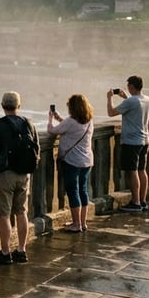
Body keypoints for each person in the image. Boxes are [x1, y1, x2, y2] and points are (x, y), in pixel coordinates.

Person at [0, 91, 37, 265]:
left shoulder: (0, 124)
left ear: (2, 106)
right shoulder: (28, 123)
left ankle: (5, 253)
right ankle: (21, 250)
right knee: (21, 211)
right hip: (24, 173)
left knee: (3, 213)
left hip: (5, 174)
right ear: (18, 106)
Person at [48, 94, 94, 233]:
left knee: (73, 192)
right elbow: (73, 127)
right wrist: (60, 119)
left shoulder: (70, 122)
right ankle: (83, 222)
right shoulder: (89, 120)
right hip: (86, 161)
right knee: (83, 190)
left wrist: (50, 119)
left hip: (72, 161)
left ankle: (76, 224)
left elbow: (52, 130)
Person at [107, 75, 149, 212]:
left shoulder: (131, 101)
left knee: (132, 172)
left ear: (131, 86)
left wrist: (109, 98)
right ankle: (142, 201)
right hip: (145, 140)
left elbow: (111, 113)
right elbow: (135, 108)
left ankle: (135, 202)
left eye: (128, 86)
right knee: (141, 170)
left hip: (132, 141)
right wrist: (126, 97)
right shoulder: (147, 99)